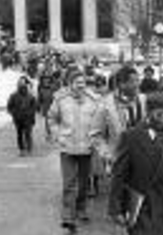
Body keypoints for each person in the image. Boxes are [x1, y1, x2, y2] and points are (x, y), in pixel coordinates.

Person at [108, 93, 163, 235]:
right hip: (139, 207)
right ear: (148, 113)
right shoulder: (130, 137)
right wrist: (115, 209)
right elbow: (119, 175)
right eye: (160, 115)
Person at [48, 70, 101, 233]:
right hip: (68, 149)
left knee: (84, 183)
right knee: (69, 183)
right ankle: (68, 218)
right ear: (70, 83)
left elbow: (100, 122)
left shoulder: (94, 100)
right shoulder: (60, 100)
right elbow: (51, 119)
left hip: (86, 149)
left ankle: (81, 209)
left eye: (83, 82)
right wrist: (58, 135)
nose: (81, 85)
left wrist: (96, 140)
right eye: (77, 82)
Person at [7, 76, 37, 156]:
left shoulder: (30, 96)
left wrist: (31, 114)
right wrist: (14, 113)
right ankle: (22, 149)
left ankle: (29, 149)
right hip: (18, 119)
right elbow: (9, 106)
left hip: (28, 119)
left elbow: (34, 107)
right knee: (19, 134)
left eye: (24, 86)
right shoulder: (13, 96)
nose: (23, 88)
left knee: (28, 134)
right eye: (21, 86)